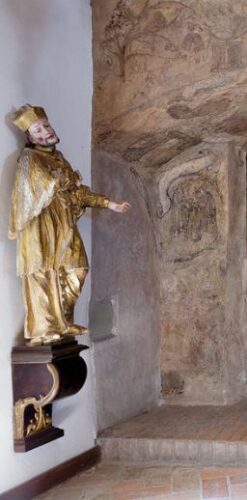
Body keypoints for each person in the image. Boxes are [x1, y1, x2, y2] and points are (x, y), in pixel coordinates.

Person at [9, 105, 130, 345]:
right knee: (43, 273)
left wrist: (109, 204)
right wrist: (65, 179)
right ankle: (45, 330)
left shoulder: (58, 158)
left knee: (76, 270)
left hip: (63, 225)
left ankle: (63, 321)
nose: (46, 131)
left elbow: (76, 191)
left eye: (46, 125)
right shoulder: (30, 159)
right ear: (30, 137)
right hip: (41, 227)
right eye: (39, 129)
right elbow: (41, 188)